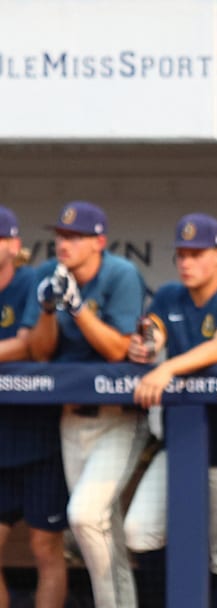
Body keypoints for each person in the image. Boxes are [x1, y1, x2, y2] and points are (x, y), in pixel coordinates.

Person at [124, 213, 217, 607]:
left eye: (197, 254)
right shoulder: (170, 294)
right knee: (139, 531)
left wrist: (167, 366)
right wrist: (145, 347)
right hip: (180, 443)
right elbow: (152, 329)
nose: (187, 262)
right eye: (182, 254)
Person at [23, 201, 147, 608]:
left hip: (117, 419)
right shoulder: (47, 274)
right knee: (97, 527)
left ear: (99, 242)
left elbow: (117, 350)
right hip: (70, 419)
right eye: (61, 235)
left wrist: (76, 309)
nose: (64, 243)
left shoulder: (120, 273)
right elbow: (40, 352)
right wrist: (45, 311)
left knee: (84, 516)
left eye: (75, 237)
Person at [0, 206, 68, 608]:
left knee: (45, 548)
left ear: (13, 244)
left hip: (38, 438)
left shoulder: (33, 279)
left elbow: (32, 345)